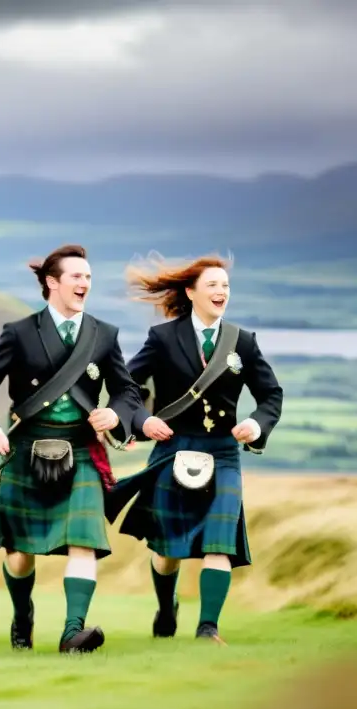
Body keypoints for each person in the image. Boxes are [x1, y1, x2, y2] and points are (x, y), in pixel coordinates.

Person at [0, 244, 142, 653]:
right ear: (52, 282)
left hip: (80, 451)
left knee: (85, 541)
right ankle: (22, 614)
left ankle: (72, 632)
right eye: (77, 277)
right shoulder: (19, 332)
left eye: (89, 278)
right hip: (27, 447)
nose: (85, 284)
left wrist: (114, 414)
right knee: (20, 554)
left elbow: (127, 391)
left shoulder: (103, 334)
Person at [106, 254, 282, 645]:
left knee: (218, 542)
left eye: (226, 286)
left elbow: (270, 394)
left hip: (223, 452)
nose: (222, 292)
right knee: (168, 549)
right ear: (191, 292)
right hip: (173, 448)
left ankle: (208, 628)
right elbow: (126, 388)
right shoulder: (163, 338)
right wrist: (142, 421)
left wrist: (256, 424)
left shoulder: (243, 343)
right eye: (213, 286)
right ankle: (167, 608)